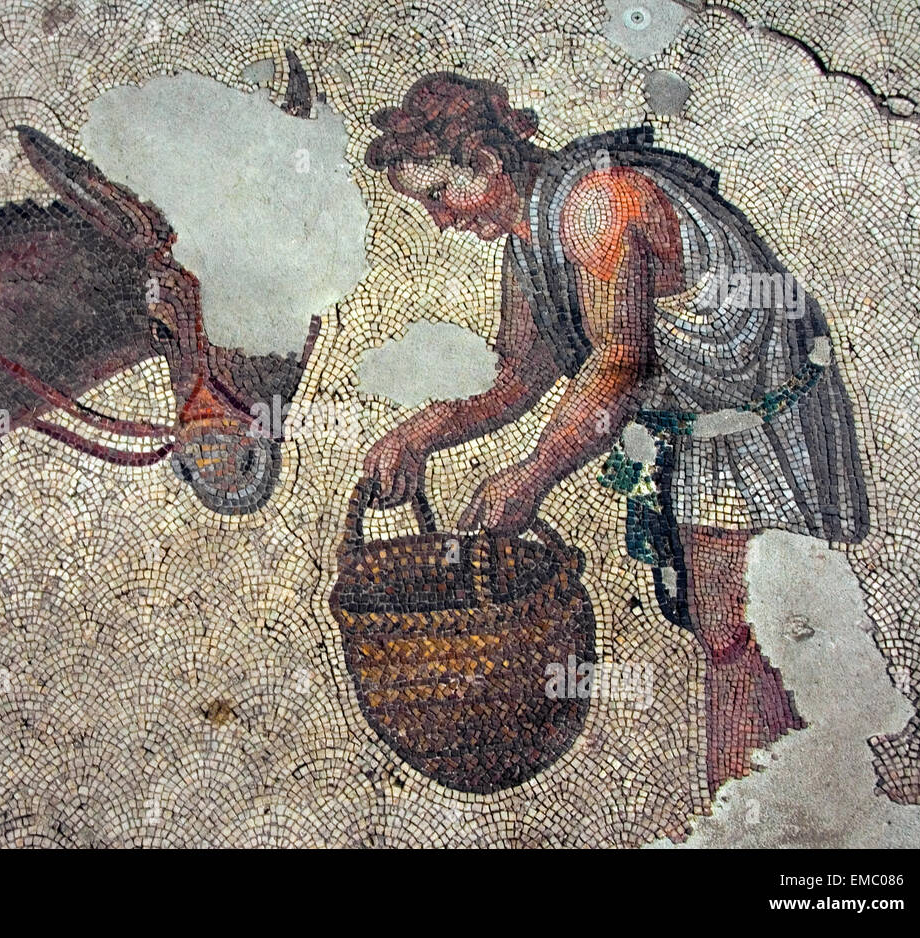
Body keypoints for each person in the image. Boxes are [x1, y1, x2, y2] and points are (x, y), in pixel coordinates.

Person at [361, 73, 869, 792]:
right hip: (704, 430)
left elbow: (621, 363)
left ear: (487, 162)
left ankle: (778, 819)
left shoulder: (598, 204)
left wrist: (531, 477)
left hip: (761, 423)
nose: (440, 220)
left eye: (439, 195)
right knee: (729, 634)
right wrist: (425, 431)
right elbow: (519, 381)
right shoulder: (530, 242)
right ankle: (763, 813)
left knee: (748, 633)